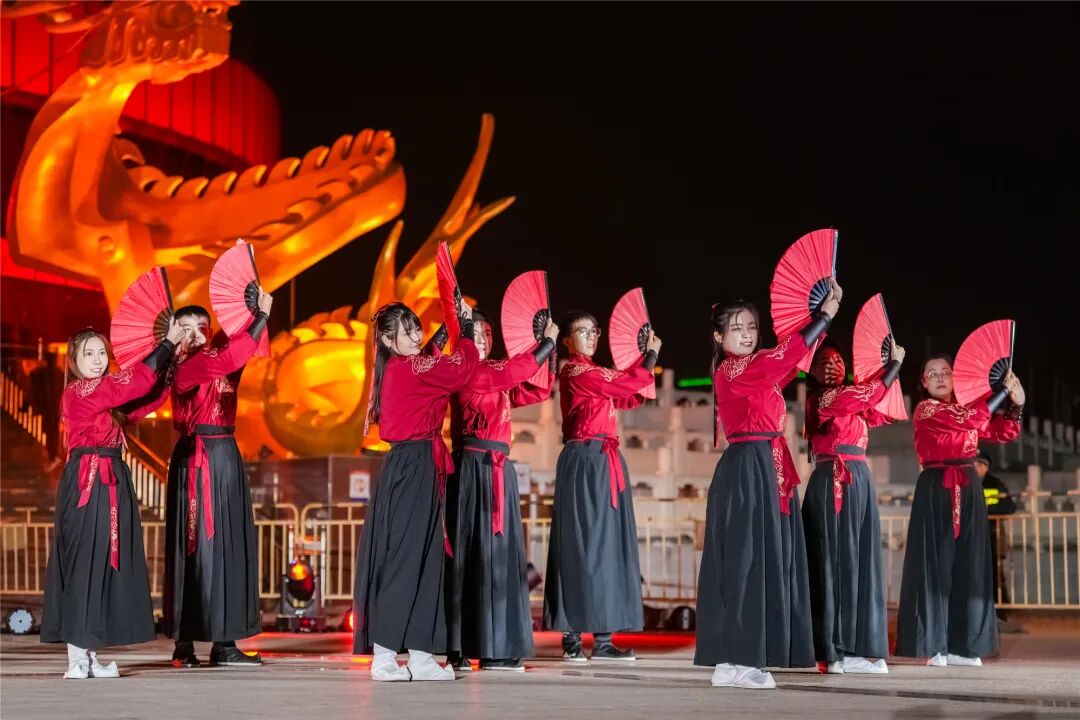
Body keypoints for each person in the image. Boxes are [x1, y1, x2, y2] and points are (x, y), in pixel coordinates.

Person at [695, 280, 841, 690]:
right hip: (749, 469)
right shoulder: (733, 369)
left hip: (766, 466)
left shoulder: (757, 368)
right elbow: (786, 355)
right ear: (718, 337)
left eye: (752, 327)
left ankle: (731, 660)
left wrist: (822, 319)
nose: (747, 334)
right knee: (747, 563)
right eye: (737, 328)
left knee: (755, 561)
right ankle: (743, 659)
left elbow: (792, 357)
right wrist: (823, 317)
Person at [41, 321, 186, 678]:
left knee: (104, 563)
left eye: (102, 353)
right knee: (84, 564)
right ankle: (77, 659)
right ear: (74, 361)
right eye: (88, 354)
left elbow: (143, 400)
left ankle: (89, 657)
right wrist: (166, 345)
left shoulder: (106, 397)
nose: (97, 360)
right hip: (89, 481)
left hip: (111, 480)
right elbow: (132, 383)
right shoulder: (78, 392)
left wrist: (169, 366)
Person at [352, 301, 479, 681]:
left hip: (417, 465)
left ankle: (422, 657)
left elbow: (430, 356)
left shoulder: (401, 367)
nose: (415, 337)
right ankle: (384, 656)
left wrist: (450, 325)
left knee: (426, 559)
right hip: (413, 466)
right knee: (405, 561)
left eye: (416, 328)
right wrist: (465, 330)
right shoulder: (409, 367)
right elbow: (461, 369)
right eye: (406, 332)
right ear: (387, 339)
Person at [161, 290, 274, 668]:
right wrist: (262, 317)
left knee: (225, 547)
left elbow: (236, 348)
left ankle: (222, 643)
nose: (195, 335)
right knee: (196, 549)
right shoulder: (185, 366)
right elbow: (231, 354)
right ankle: (187, 644)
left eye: (202, 328)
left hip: (224, 455)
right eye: (186, 328)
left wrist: (250, 310)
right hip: (198, 460)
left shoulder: (218, 360)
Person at [543, 310, 661, 663]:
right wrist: (649, 357)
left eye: (594, 331)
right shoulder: (576, 371)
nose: (592, 336)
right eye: (582, 331)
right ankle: (572, 636)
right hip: (585, 462)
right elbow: (622, 384)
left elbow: (629, 394)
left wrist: (643, 363)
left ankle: (604, 638)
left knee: (607, 548)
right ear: (567, 340)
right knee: (581, 545)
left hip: (605, 462)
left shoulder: (595, 374)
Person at [445, 309, 558, 673]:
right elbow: (517, 371)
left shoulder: (495, 372)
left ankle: (488, 646)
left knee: (495, 559)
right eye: (474, 332)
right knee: (471, 557)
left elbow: (534, 387)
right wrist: (546, 343)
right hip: (473, 469)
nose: (482, 339)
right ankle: (463, 647)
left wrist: (547, 352)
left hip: (495, 469)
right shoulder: (469, 370)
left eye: (487, 333)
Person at [895, 355, 1025, 667]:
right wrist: (1000, 393)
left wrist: (1017, 404)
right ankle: (934, 645)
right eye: (932, 374)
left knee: (971, 562)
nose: (940, 378)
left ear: (955, 378)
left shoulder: (968, 410)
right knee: (936, 564)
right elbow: (969, 418)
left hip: (968, 485)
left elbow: (1004, 431)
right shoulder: (926, 410)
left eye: (946, 372)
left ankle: (964, 646)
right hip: (937, 486)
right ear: (923, 382)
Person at [802, 337, 904, 675]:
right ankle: (835, 650)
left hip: (858, 478)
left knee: (859, 561)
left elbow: (885, 409)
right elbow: (867, 395)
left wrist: (884, 368)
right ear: (812, 372)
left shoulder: (853, 401)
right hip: (834, 479)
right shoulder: (824, 398)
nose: (832, 366)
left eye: (838, 360)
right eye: (823, 363)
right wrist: (893, 366)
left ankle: (858, 647)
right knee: (836, 561)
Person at [974, 451, 1016, 619]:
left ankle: (1000, 612)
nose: (974, 468)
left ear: (986, 467)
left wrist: (984, 510)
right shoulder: (965, 483)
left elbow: (1009, 507)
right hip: (971, 537)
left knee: (995, 574)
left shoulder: (995, 484)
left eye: (978, 465)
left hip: (992, 535)